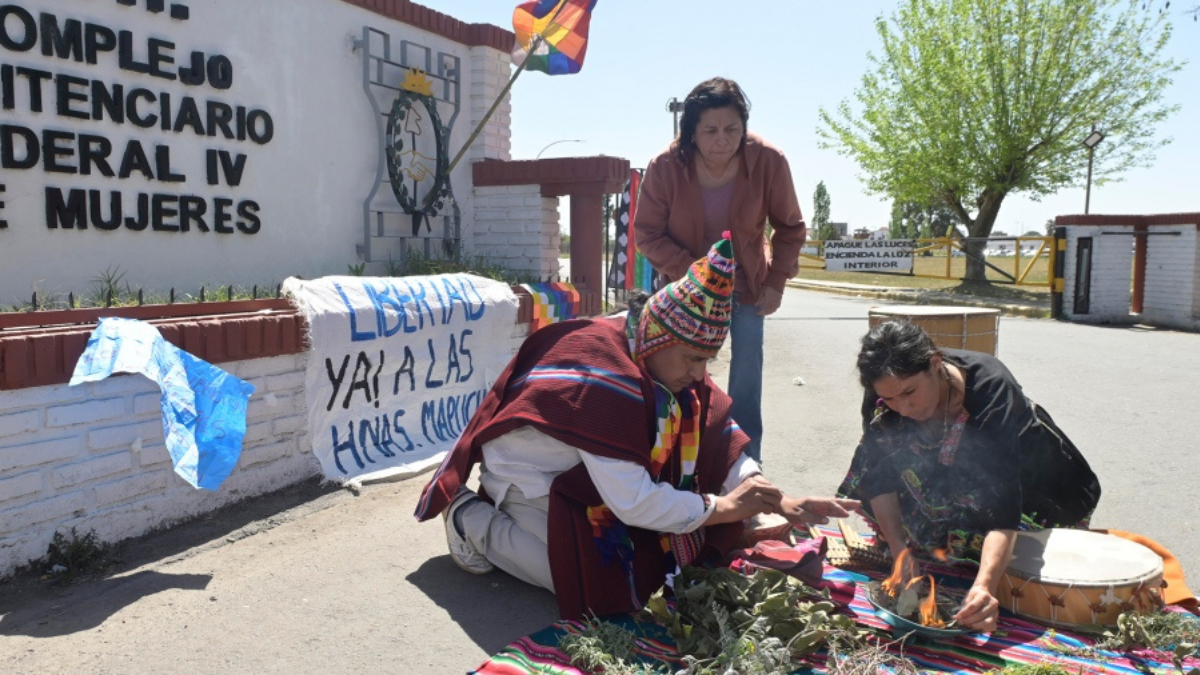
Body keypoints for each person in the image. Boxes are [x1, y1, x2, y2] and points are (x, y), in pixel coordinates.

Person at [415, 237, 858, 620]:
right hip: (531, 480)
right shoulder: (606, 381)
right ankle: (467, 517)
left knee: (667, 551)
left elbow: (716, 436)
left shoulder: (660, 356)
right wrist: (723, 508)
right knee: (587, 578)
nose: (700, 373)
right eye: (693, 359)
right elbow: (632, 502)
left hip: (591, 473)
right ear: (660, 339)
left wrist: (771, 494)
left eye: (707, 360)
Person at [837, 320, 1102, 632]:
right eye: (891, 398)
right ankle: (950, 538)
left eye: (910, 392)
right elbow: (879, 474)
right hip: (955, 479)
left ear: (935, 364)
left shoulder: (990, 387)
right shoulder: (886, 396)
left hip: (1033, 485)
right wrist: (899, 550)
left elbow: (1002, 501)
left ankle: (974, 549)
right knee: (876, 447)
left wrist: (985, 588)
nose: (903, 407)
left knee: (1022, 547)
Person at [634, 76, 807, 464]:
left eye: (732, 129)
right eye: (710, 130)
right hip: (684, 288)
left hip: (747, 287)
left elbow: (791, 227)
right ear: (691, 133)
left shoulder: (768, 160)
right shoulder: (665, 166)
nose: (722, 140)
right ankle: (678, 455)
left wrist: (776, 281)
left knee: (747, 375)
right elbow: (646, 232)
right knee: (682, 370)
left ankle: (745, 462)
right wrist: (694, 273)